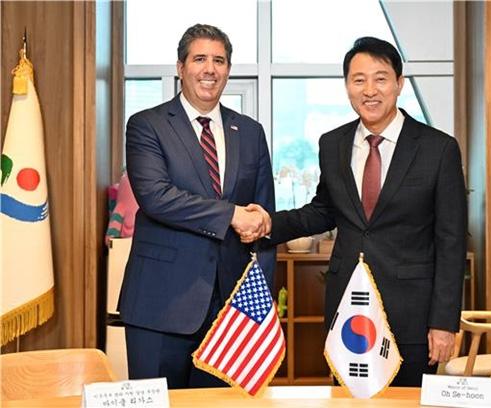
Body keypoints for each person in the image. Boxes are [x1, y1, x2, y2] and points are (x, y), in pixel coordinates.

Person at [245, 36, 467, 386]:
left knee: (409, 404)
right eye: (359, 79)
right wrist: (269, 222)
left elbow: (451, 241)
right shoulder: (332, 144)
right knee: (349, 402)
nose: (370, 90)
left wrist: (443, 323)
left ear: (399, 84)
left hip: (412, 314)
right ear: (347, 85)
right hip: (348, 312)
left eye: (381, 79)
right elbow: (323, 211)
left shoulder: (438, 149)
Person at [118, 23, 275, 389]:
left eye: (219, 60)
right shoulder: (148, 125)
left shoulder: (250, 132)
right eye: (199, 59)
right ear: (180, 67)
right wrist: (231, 214)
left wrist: (260, 301)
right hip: (161, 304)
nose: (210, 69)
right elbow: (156, 197)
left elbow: (263, 219)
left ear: (228, 70)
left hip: (232, 311)